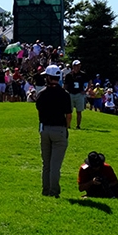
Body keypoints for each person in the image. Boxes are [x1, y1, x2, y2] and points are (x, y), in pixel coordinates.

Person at [35, 65, 72, 198]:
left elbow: (39, 112)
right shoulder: (65, 95)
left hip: (45, 129)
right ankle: (54, 191)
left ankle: (45, 190)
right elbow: (68, 115)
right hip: (59, 129)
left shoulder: (41, 94)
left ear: (49, 78)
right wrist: (66, 128)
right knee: (55, 165)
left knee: (46, 164)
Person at [64, 60, 86, 129]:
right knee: (69, 111)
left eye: (79, 66)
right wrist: (65, 93)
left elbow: (89, 81)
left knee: (79, 111)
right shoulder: (69, 75)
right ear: (73, 66)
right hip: (70, 93)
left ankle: (78, 125)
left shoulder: (83, 74)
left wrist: (86, 90)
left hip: (79, 93)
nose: (78, 67)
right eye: (76, 66)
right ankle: (68, 125)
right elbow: (65, 85)